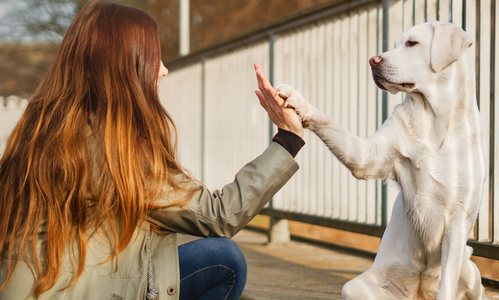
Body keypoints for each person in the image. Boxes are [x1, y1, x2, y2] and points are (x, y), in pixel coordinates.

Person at [0, 1, 302, 299]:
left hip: (41, 286)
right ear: (126, 66)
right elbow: (218, 215)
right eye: (154, 58)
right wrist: (288, 138)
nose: (164, 71)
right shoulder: (114, 147)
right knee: (226, 258)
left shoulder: (40, 126)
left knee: (220, 260)